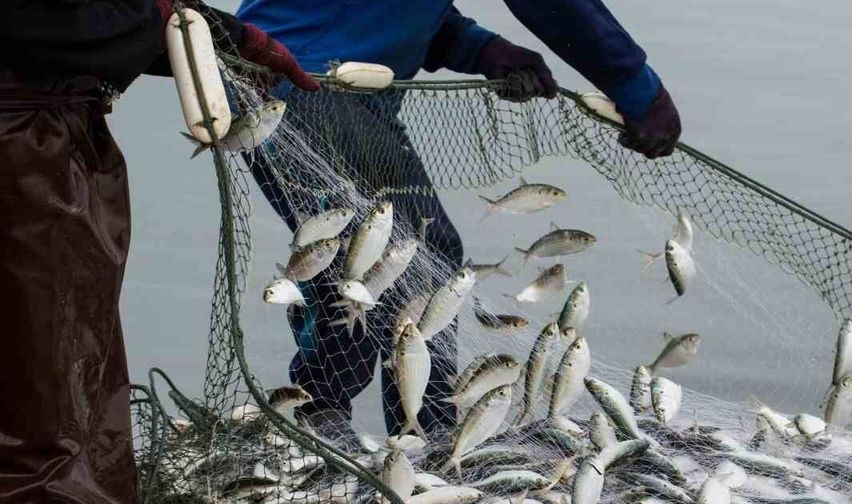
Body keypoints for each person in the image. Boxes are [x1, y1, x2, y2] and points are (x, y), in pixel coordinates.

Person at [237, 0, 682, 444]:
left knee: (422, 253)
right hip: (298, 83)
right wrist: (639, 90)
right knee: (372, 253)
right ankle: (326, 417)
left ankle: (422, 433)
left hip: (336, 89)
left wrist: (477, 48)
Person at [0, 0, 314, 504]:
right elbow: (46, 20)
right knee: (48, 396)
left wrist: (211, 34)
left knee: (58, 378)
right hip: (24, 152)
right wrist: (177, 21)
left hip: (42, 137)